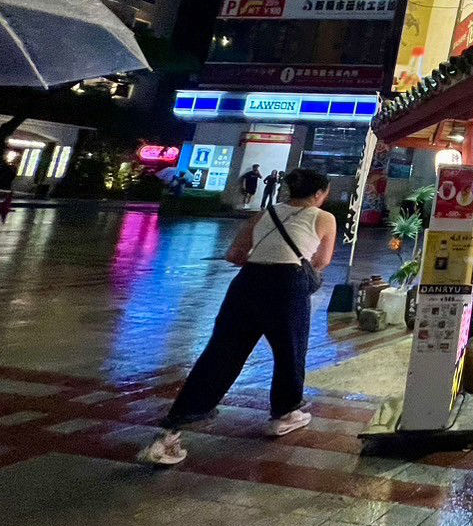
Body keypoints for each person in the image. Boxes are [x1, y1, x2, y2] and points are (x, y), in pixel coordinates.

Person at [138, 168, 337, 466]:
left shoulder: (264, 213)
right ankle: (285, 413)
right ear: (320, 193)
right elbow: (321, 261)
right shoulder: (324, 218)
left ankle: (171, 430)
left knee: (221, 353)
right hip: (287, 285)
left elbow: (235, 254)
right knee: (290, 351)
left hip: (247, 283)